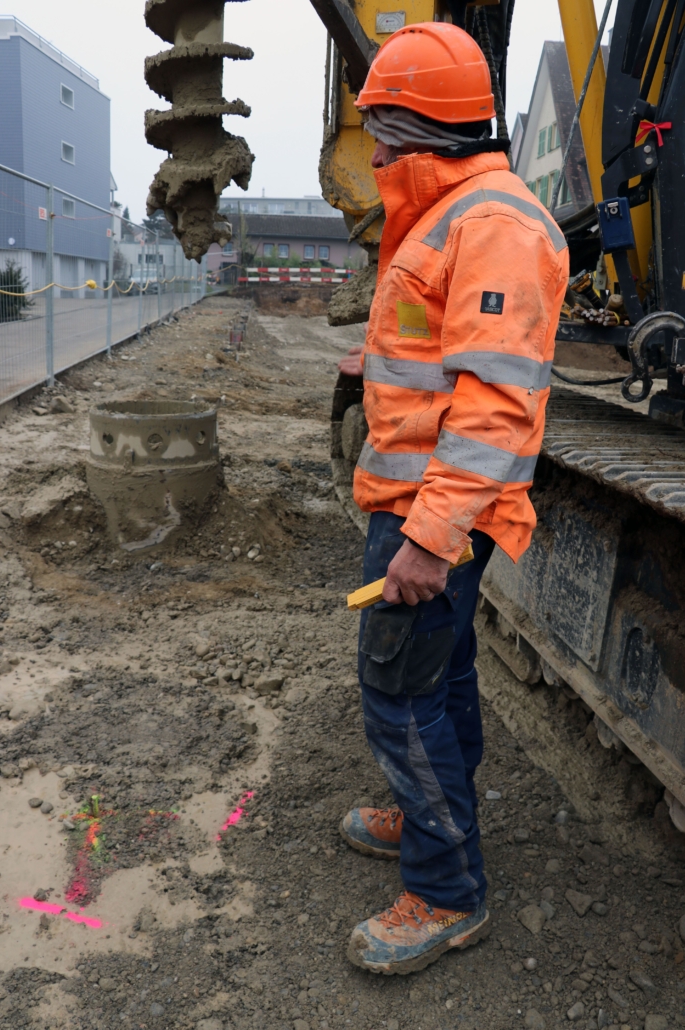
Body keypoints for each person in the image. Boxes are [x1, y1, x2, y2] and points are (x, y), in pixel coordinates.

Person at [337, 22, 569, 975]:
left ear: (428, 127)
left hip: (432, 513)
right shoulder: (449, 210)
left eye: (387, 127)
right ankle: (433, 816)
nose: (377, 149)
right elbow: (438, 359)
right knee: (439, 677)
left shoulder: (493, 226)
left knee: (396, 691)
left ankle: (445, 890)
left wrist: (428, 541)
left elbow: (494, 408)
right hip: (413, 498)